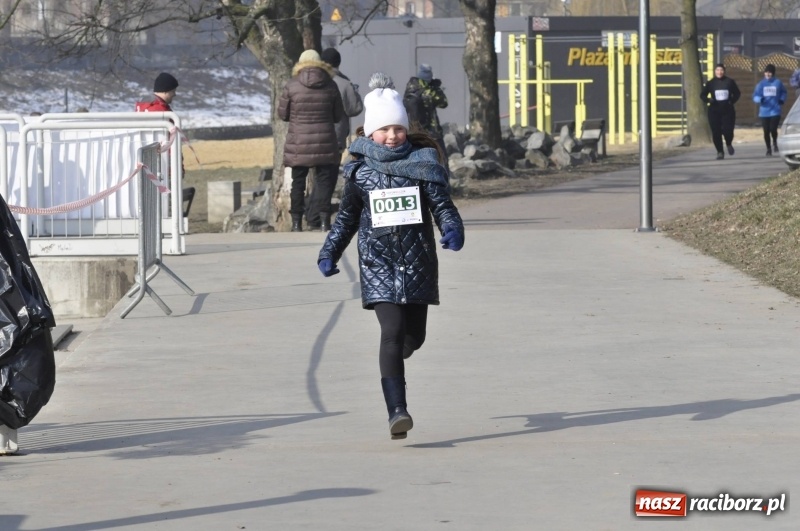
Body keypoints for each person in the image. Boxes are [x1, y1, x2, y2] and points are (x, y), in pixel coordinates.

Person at [317, 73, 465, 440]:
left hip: (417, 264)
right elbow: (347, 219)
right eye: (384, 129)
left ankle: (404, 356)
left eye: (398, 128)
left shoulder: (423, 166)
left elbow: (442, 206)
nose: (393, 136)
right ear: (369, 133)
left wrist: (453, 228)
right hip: (378, 265)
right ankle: (397, 412)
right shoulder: (360, 173)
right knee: (391, 334)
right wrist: (329, 251)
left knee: (415, 337)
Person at [278, 49, 345, 232]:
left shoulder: (291, 86)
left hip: (298, 142)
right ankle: (324, 221)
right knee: (324, 180)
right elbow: (338, 115)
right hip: (325, 140)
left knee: (298, 182)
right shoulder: (331, 85)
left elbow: (283, 114)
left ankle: (297, 222)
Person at [305, 47, 364, 231]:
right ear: (338, 63)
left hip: (309, 135)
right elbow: (354, 109)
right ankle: (317, 217)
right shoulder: (343, 83)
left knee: (315, 178)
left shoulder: (308, 80)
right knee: (327, 178)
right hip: (334, 137)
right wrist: (355, 92)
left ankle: (309, 214)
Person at [700, 63, 741, 160]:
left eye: (721, 70)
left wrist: (732, 101)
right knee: (716, 132)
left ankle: (728, 143)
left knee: (728, 131)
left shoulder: (730, 82)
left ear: (724, 71)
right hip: (714, 111)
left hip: (728, 111)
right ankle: (720, 152)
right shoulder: (711, 83)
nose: (719, 72)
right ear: (715, 71)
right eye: (717, 70)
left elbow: (737, 93)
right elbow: (702, 95)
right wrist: (709, 100)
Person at [403, 63, 448, 151]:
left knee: (441, 159)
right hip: (420, 132)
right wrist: (434, 91)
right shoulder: (415, 89)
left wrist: (436, 89)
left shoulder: (428, 88)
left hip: (433, 132)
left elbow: (444, 104)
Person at [753, 64, 787, 156]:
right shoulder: (761, 84)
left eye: (770, 73)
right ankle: (768, 148)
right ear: (764, 73)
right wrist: (760, 99)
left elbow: (784, 92)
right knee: (766, 131)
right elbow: (755, 96)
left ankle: (775, 142)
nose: (768, 74)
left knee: (773, 129)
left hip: (775, 110)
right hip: (764, 112)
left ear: (773, 73)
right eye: (766, 72)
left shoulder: (778, 83)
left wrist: (781, 99)